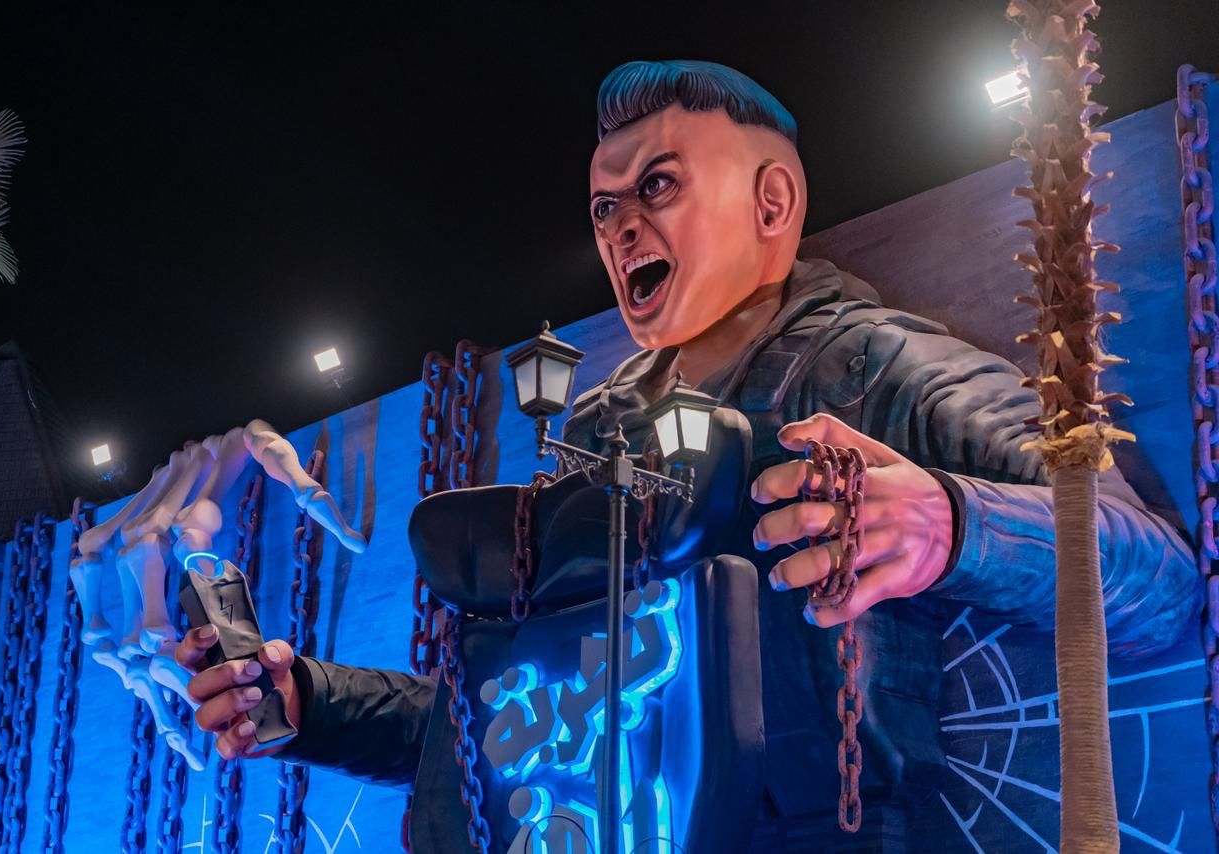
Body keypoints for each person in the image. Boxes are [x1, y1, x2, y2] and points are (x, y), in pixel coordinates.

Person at [176, 60, 1200, 843]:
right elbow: (511, 720)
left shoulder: (872, 366)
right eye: (604, 208)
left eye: (656, 186)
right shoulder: (594, 431)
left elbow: (1156, 578)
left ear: (770, 203)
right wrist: (311, 704)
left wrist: (949, 522)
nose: (621, 228)